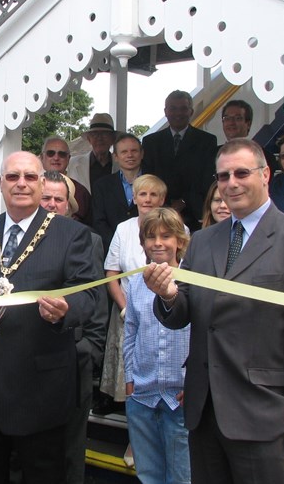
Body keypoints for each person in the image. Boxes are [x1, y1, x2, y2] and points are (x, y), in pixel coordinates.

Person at [145, 138, 284, 484]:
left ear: (266, 175)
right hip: (204, 414)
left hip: (263, 417)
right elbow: (183, 311)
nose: (231, 183)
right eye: (223, 176)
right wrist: (168, 294)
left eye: (241, 173)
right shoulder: (203, 240)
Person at [0, 151, 98, 484]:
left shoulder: (71, 234)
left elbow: (89, 295)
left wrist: (65, 310)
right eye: (12, 177)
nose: (21, 184)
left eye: (30, 177)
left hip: (41, 391)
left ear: (43, 183)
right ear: (0, 183)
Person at [40, 171, 108, 484]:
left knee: (69, 450)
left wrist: (89, 350)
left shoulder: (89, 240)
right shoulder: (16, 239)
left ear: (69, 205)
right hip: (28, 360)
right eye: (46, 198)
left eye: (58, 199)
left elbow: (96, 300)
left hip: (73, 358)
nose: (52, 205)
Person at [124, 208, 191, 484]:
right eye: (150, 237)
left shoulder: (193, 280)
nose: (158, 243)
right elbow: (131, 332)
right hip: (142, 394)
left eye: (166, 236)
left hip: (180, 396)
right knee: (148, 474)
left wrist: (196, 382)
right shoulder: (136, 282)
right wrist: (129, 377)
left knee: (182, 476)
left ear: (179, 241)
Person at [97, 174, 166, 415]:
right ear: (134, 198)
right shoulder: (123, 229)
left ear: (162, 199)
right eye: (142, 194)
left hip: (163, 311)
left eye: (153, 194)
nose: (147, 199)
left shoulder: (176, 228)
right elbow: (111, 272)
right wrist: (125, 306)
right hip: (125, 307)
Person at [142, 90, 217, 231]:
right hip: (159, 211)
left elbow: (206, 178)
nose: (178, 113)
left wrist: (184, 201)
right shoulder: (151, 142)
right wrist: (165, 203)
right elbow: (149, 178)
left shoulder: (207, 141)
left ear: (191, 111)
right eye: (173, 108)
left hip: (194, 215)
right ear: (165, 111)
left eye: (183, 108)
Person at [92, 133, 143, 252]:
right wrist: (118, 245)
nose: (130, 155)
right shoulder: (101, 186)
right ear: (115, 156)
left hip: (147, 251)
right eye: (124, 152)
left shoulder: (154, 183)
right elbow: (99, 222)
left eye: (134, 151)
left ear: (142, 154)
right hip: (112, 251)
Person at [41, 136, 92, 224]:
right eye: (50, 153)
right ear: (42, 157)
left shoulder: (81, 192)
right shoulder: (31, 187)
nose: (56, 158)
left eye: (62, 154)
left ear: (68, 159)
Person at [219, 100, 277, 175]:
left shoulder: (265, 156)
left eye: (238, 118)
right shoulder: (211, 155)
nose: (231, 123)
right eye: (227, 118)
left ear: (248, 124)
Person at [68, 113, 120, 192]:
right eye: (95, 134)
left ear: (113, 139)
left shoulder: (121, 164)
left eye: (104, 133)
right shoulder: (72, 163)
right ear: (89, 139)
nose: (99, 138)